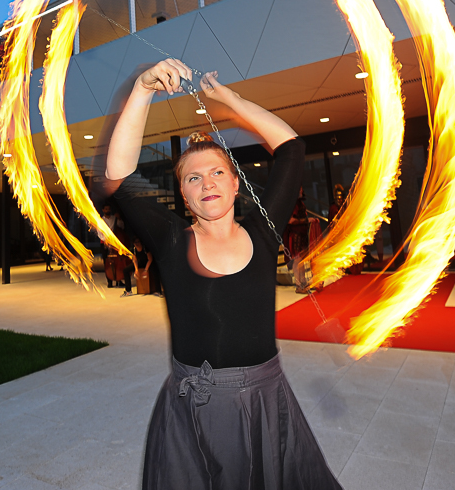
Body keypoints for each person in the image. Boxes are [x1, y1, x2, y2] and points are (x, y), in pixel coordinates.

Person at [105, 59, 342, 489]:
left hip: (267, 400)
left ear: (236, 184)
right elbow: (120, 177)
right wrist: (142, 88)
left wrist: (230, 100)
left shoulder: (263, 231)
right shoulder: (172, 241)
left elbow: (291, 148)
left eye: (217, 172)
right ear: (184, 195)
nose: (207, 183)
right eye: (193, 178)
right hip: (198, 409)